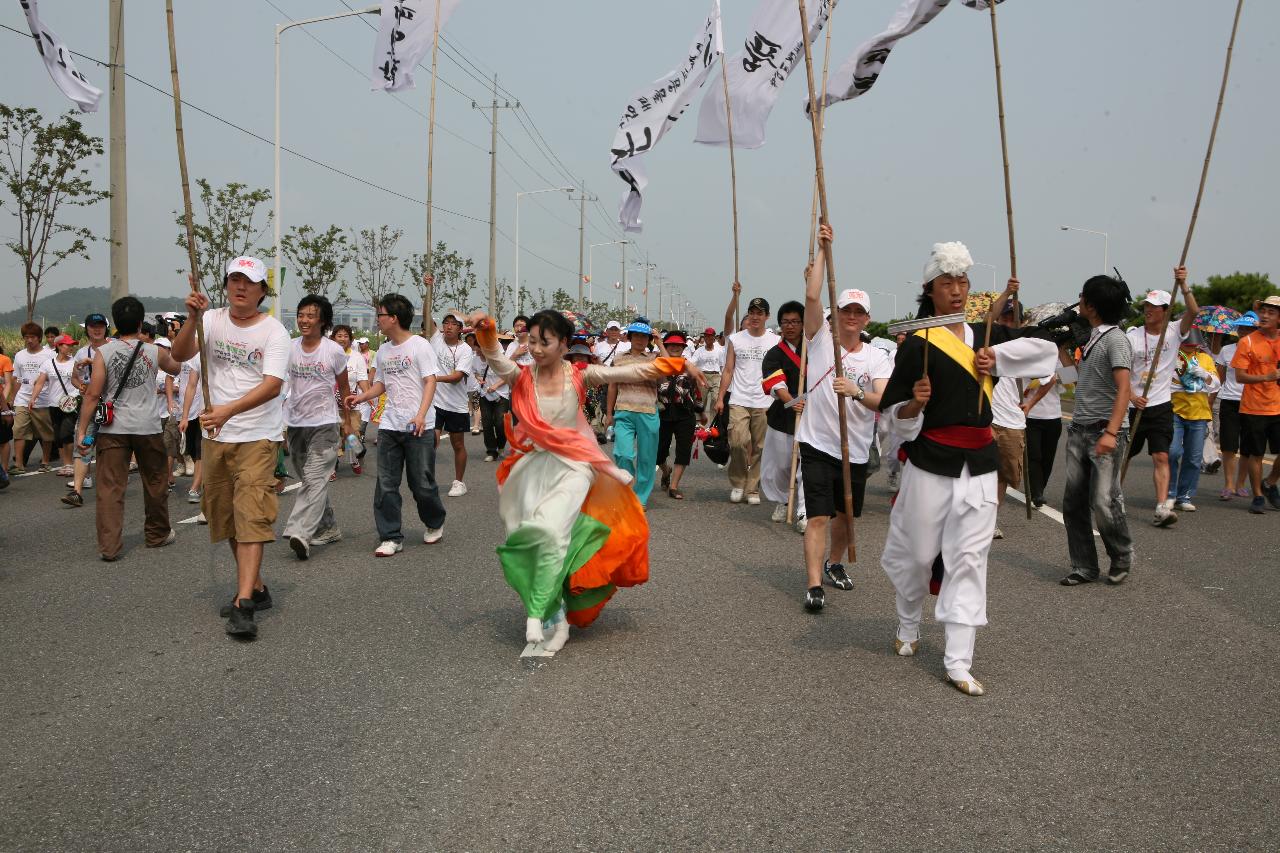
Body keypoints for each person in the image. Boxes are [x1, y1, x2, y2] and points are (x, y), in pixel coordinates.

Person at [878, 241, 1057, 696]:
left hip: (979, 464)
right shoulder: (918, 343)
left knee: (969, 561)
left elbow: (1048, 355)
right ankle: (908, 622)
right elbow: (889, 413)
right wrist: (913, 405)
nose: (956, 291)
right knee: (919, 553)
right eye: (946, 283)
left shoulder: (989, 333)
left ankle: (958, 660)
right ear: (930, 290)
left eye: (962, 282)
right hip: (930, 461)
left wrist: (999, 359)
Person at [469, 308, 697, 652]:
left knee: (551, 532)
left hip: (574, 466)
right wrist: (486, 330)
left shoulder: (580, 375)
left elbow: (632, 370)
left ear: (563, 344)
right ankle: (553, 608)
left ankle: (553, 613)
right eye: (531, 341)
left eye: (544, 342)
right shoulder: (522, 376)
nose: (537, 348)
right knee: (530, 541)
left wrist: (676, 364)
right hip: (531, 469)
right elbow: (496, 357)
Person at [176, 256, 292, 639]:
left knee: (252, 515)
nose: (240, 287)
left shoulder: (274, 331)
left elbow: (272, 383)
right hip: (215, 436)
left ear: (262, 290)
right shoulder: (211, 321)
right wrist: (192, 317)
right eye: (234, 280)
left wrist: (229, 410)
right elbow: (178, 356)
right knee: (225, 516)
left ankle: (244, 604)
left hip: (257, 434)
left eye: (249, 282)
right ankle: (256, 587)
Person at [799, 231, 893, 611]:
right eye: (845, 311)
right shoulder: (820, 340)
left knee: (845, 517)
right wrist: (824, 250)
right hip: (818, 443)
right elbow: (810, 296)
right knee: (818, 515)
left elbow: (883, 399)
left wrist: (855, 393)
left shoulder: (876, 357)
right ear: (835, 314)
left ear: (867, 318)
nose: (852, 317)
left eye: (858, 312)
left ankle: (834, 562)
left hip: (854, 447)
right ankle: (814, 584)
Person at [75, 296, 194, 560]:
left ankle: (109, 547)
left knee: (110, 488)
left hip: (112, 429)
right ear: (141, 322)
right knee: (155, 482)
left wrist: (83, 431)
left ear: (114, 323)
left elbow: (93, 394)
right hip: (148, 426)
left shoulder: (103, 353)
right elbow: (177, 365)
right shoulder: (154, 350)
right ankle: (157, 534)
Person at [346, 293, 446, 556]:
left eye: (380, 315)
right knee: (386, 483)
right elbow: (381, 384)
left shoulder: (419, 346)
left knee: (421, 484)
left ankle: (434, 521)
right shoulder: (384, 351)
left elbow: (430, 381)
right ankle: (391, 536)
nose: (377, 319)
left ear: (393, 318)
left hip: (419, 425)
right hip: (391, 424)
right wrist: (362, 396)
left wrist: (422, 414)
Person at [1059, 274, 1136, 587]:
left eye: (1082, 297)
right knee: (1073, 503)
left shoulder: (1116, 339)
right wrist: (1061, 350)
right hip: (1079, 429)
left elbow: (1124, 388)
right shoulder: (1091, 339)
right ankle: (1085, 566)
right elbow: (1074, 381)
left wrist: (1111, 432)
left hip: (1105, 429)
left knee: (1104, 501)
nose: (1078, 302)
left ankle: (1122, 554)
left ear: (1091, 305)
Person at [1126, 268, 1199, 527]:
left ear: (1166, 311)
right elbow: (1120, 375)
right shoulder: (1132, 337)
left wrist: (1184, 284)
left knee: (1161, 456)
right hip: (1134, 407)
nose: (1149, 309)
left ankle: (1161, 507)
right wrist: (1132, 397)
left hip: (1160, 406)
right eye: (1146, 305)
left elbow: (1194, 312)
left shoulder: (1174, 331)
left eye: (1155, 306)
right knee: (1123, 455)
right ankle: (1110, 496)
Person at [281, 295, 351, 559]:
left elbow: (344, 389)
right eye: (301, 314)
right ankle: (328, 527)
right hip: (297, 424)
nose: (304, 320)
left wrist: (349, 425)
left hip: (325, 423)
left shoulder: (333, 350)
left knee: (313, 477)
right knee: (312, 480)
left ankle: (300, 531)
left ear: (322, 321)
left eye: (311, 316)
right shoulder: (289, 347)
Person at [716, 296, 780, 504]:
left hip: (765, 401)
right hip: (739, 399)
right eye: (752, 312)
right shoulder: (737, 339)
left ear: (767, 317)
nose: (755, 317)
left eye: (759, 313)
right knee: (737, 442)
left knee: (760, 447)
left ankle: (752, 488)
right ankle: (738, 482)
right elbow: (728, 370)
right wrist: (720, 398)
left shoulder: (775, 341)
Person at [606, 319, 668, 508]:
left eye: (644, 336)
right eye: (636, 336)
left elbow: (670, 366)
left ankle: (639, 498)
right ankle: (628, 488)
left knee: (647, 459)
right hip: (624, 411)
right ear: (630, 337)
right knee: (622, 454)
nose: (640, 339)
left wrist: (660, 343)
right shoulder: (619, 359)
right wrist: (609, 413)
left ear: (648, 338)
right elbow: (612, 386)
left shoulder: (654, 359)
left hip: (648, 412)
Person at [759, 301, 807, 530]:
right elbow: (776, 384)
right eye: (786, 322)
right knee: (780, 465)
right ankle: (782, 499)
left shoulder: (814, 349)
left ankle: (803, 511)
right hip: (783, 416)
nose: (790, 326)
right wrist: (793, 402)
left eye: (795, 321)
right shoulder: (774, 354)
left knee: (807, 464)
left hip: (813, 415)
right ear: (780, 325)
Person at [1230, 295, 1280, 514]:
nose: (1265, 315)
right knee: (1256, 454)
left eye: (1271, 312)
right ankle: (1258, 495)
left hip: (1278, 405)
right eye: (1263, 311)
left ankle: (1270, 483)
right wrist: (1266, 377)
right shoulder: (1247, 341)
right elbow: (1240, 377)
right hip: (1254, 407)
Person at [1167, 330, 1220, 511]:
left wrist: (1204, 374)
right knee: (1172, 452)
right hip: (1175, 411)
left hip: (1199, 413)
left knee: (1194, 458)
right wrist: (1175, 381)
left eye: (1194, 344)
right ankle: (1170, 494)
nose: (1191, 346)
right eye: (1187, 343)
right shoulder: (1171, 356)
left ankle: (1184, 496)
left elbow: (1215, 384)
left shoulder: (1205, 359)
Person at [988, 303, 1026, 539]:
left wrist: (1029, 403)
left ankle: (991, 520)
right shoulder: (986, 345)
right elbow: (986, 320)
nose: (1008, 322)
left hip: (1012, 422)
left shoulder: (1025, 349)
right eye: (1005, 317)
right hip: (986, 419)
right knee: (981, 474)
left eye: (1013, 319)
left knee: (1003, 476)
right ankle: (978, 521)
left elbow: (1055, 378)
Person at [432, 311, 474, 497]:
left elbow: (457, 378)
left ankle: (459, 482)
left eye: (453, 324)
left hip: (456, 404)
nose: (448, 326)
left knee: (458, 445)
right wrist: (428, 287)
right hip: (435, 402)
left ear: (460, 329)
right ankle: (426, 479)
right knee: (430, 440)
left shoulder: (465, 350)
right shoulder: (436, 339)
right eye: (446, 323)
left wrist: (434, 378)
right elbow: (427, 315)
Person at [656, 331, 703, 500]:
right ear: (665, 346)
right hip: (663, 413)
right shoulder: (656, 365)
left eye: (678, 345)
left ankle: (674, 486)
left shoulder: (689, 367)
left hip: (685, 413)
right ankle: (665, 470)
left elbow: (697, 391)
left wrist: (702, 412)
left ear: (684, 348)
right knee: (659, 452)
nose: (674, 347)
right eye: (670, 345)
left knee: (683, 450)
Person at [68, 313, 111, 497]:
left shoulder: (113, 348)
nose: (97, 329)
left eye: (100, 325)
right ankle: (77, 491)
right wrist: (81, 386)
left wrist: (93, 362)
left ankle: (108, 486)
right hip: (90, 408)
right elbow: (74, 378)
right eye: (93, 326)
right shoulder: (81, 352)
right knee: (84, 443)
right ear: (87, 329)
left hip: (109, 408)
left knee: (107, 446)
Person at [1214, 312, 1255, 499]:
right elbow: (1219, 379)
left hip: (1253, 403)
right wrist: (1210, 400)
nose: (1244, 331)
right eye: (1241, 328)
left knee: (1247, 447)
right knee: (1229, 445)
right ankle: (1229, 485)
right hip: (1229, 400)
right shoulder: (1226, 350)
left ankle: (1241, 484)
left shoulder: (1260, 349)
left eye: (1248, 329)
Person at [30, 334, 78, 478]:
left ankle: (70, 464)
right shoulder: (48, 364)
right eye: (67, 345)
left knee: (66, 433)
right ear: (58, 346)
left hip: (71, 403)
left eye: (71, 345)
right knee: (58, 436)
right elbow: (40, 382)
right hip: (53, 403)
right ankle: (65, 464)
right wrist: (33, 398)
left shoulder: (75, 362)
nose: (70, 347)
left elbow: (80, 380)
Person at [8, 322, 53, 474]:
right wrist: (12, 399)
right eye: (26, 337)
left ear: (39, 338)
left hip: (43, 399)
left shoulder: (49, 355)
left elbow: (54, 377)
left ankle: (45, 461)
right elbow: (16, 379)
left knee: (46, 432)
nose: (29, 340)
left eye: (32, 337)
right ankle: (19, 464)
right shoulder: (20, 355)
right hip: (22, 399)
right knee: (19, 430)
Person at [1021, 370, 1063, 508]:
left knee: (1048, 458)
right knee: (1034, 456)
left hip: (1053, 415)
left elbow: (1072, 379)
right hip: (1031, 415)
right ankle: (1036, 492)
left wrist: (1062, 351)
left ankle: (1039, 488)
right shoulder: (1030, 355)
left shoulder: (1058, 359)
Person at [331, 324, 370, 475]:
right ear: (334, 338)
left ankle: (354, 456)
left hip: (351, 405)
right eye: (339, 336)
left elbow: (362, 378)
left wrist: (368, 395)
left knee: (352, 435)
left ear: (350, 339)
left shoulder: (356, 357)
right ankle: (332, 467)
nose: (342, 339)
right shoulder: (327, 354)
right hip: (330, 406)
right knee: (331, 438)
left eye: (345, 336)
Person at [473, 337, 510, 462]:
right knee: (487, 423)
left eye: (479, 347)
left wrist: (496, 386)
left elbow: (508, 375)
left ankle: (501, 445)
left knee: (500, 422)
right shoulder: (476, 360)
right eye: (476, 346)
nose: (476, 349)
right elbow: (475, 372)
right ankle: (491, 451)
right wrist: (479, 378)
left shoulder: (498, 359)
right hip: (485, 395)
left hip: (501, 395)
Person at [688, 327, 725, 426]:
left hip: (716, 376)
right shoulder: (699, 351)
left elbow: (722, 366)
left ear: (714, 338)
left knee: (715, 399)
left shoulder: (719, 351)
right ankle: (698, 425)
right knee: (701, 401)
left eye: (710, 336)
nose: (708, 338)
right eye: (706, 336)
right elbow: (692, 363)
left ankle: (714, 424)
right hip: (703, 376)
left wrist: (723, 379)